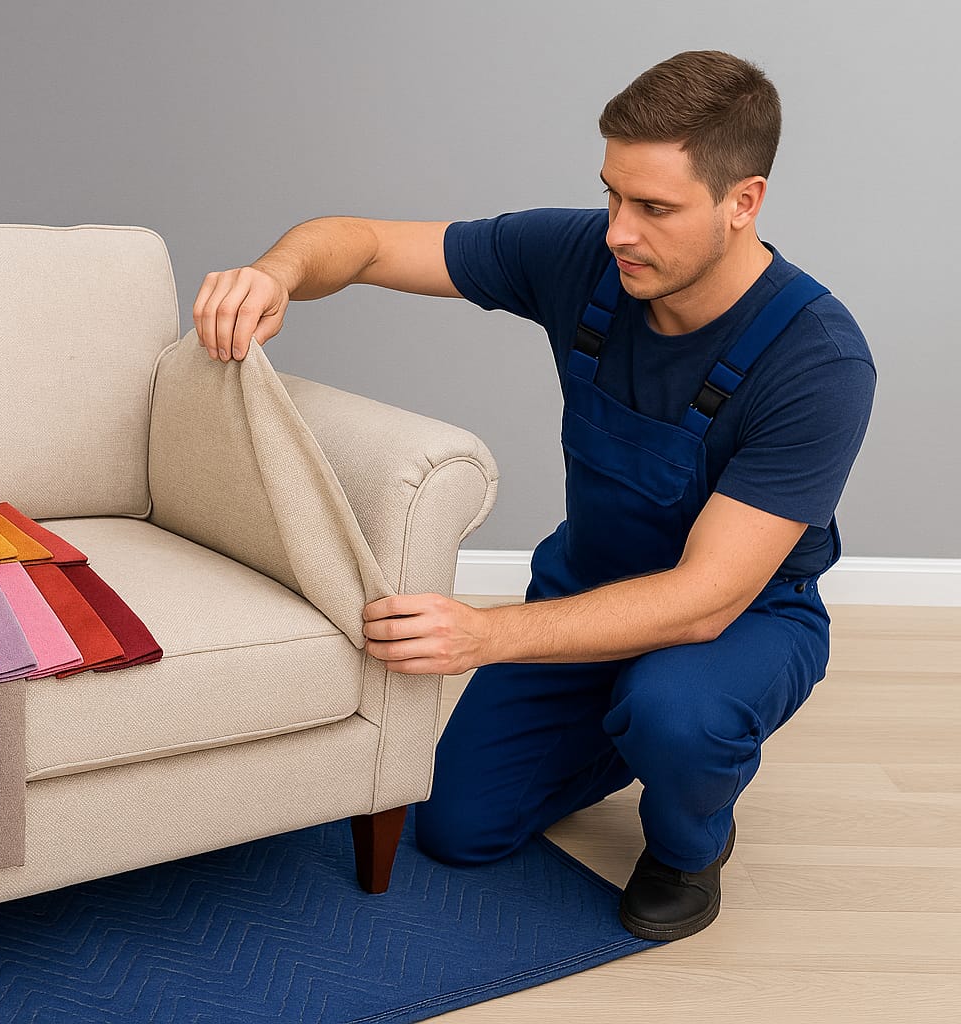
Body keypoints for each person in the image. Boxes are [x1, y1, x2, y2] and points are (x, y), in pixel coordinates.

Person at [190, 50, 876, 942]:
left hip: (744, 621)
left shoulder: (817, 360)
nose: (620, 231)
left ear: (743, 202)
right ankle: (627, 724)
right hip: (584, 591)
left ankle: (689, 837)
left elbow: (707, 599)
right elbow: (360, 241)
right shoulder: (584, 258)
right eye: (612, 195)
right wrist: (274, 273)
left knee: (678, 712)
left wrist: (484, 636)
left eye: (655, 208)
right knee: (455, 828)